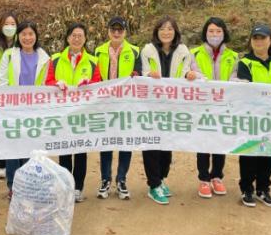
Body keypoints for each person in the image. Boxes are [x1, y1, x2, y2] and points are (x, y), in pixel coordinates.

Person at [140, 16, 196, 204]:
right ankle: (153, 185)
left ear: (175, 32)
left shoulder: (183, 51)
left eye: (170, 29)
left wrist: (189, 74)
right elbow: (141, 73)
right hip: (151, 106)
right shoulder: (147, 50)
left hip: (172, 106)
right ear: (156, 31)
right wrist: (148, 74)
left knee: (167, 145)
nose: (166, 32)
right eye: (162, 29)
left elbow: (185, 71)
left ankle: (162, 178)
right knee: (152, 145)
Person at [45, 23, 102, 203]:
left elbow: (99, 85)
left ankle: (78, 188)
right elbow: (47, 82)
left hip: (82, 115)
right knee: (64, 150)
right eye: (73, 35)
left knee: (80, 152)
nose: (77, 39)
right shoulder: (55, 59)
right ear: (68, 38)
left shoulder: (93, 61)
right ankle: (65, 186)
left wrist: (89, 85)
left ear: (85, 39)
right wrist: (56, 84)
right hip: (62, 114)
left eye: (80, 36)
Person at [237, 24, 271, 208]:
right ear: (251, 41)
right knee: (249, 154)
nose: (259, 41)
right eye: (255, 38)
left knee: (270, 153)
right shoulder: (245, 63)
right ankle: (247, 189)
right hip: (253, 118)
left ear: (270, 40)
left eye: (263, 38)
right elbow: (244, 91)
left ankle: (263, 189)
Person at [0, 21, 50, 199]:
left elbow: (46, 83)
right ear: (18, 36)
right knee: (13, 149)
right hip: (13, 109)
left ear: (36, 36)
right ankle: (13, 186)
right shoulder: (9, 55)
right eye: (23, 34)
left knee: (32, 148)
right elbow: (2, 82)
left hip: (35, 111)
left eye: (31, 34)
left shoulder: (44, 57)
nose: (27, 38)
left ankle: (30, 184)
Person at [190, 17, 239, 199]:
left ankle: (217, 176)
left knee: (220, 142)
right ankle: (204, 179)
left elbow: (234, 76)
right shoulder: (194, 54)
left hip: (224, 106)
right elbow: (192, 74)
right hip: (202, 106)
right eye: (211, 31)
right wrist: (193, 76)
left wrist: (237, 83)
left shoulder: (233, 56)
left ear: (224, 33)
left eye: (218, 31)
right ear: (205, 33)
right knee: (203, 142)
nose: (215, 34)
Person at [94, 16, 142, 200]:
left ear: (125, 32)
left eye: (120, 30)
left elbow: (139, 75)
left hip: (127, 106)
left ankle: (121, 179)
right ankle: (105, 180)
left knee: (125, 143)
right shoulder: (98, 51)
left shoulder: (135, 51)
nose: (116, 33)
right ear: (108, 31)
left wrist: (136, 75)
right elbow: (95, 76)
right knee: (106, 143)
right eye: (113, 30)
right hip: (105, 104)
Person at [0, 12, 19, 179]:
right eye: (6, 24)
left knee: (14, 130)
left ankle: (15, 163)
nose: (9, 27)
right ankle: (1, 164)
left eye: (13, 24)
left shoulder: (22, 45)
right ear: (0, 26)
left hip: (16, 97)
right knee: (1, 131)